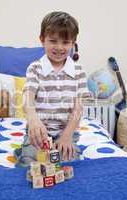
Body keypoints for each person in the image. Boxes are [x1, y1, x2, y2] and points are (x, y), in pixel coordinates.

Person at [14, 11, 89, 167]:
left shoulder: (78, 71)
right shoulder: (35, 68)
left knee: (69, 163)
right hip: (40, 133)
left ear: (73, 43)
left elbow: (78, 107)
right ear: (42, 40)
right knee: (30, 163)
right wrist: (33, 120)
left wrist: (67, 136)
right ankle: (25, 151)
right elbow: (28, 95)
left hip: (66, 131)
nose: (59, 47)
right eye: (53, 41)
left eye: (65, 42)